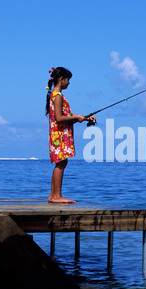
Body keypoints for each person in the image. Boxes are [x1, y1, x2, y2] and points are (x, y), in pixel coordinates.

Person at [45, 67, 95, 203]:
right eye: (68, 80)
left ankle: (52, 195)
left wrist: (83, 118)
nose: (69, 83)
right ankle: (57, 196)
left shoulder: (54, 95)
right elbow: (60, 118)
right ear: (61, 79)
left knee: (61, 162)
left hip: (58, 134)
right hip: (59, 135)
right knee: (61, 163)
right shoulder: (58, 96)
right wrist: (77, 117)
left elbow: (66, 115)